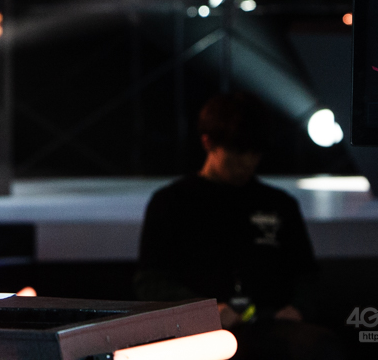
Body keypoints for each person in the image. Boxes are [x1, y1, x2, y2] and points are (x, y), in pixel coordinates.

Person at [135, 93, 342, 360]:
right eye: (237, 151)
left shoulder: (278, 204)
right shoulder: (172, 202)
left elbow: (307, 276)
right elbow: (151, 281)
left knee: (321, 347)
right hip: (200, 332)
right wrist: (205, 310)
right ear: (208, 142)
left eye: (255, 153)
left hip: (271, 328)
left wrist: (297, 309)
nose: (247, 162)